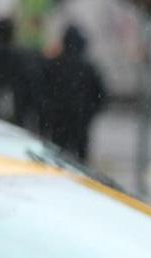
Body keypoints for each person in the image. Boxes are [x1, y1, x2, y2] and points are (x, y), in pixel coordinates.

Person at [41, 24, 107, 162]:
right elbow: (100, 96)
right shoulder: (87, 68)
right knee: (80, 163)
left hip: (58, 122)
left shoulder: (53, 65)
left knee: (58, 159)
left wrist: (49, 115)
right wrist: (88, 114)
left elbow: (42, 93)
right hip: (79, 121)